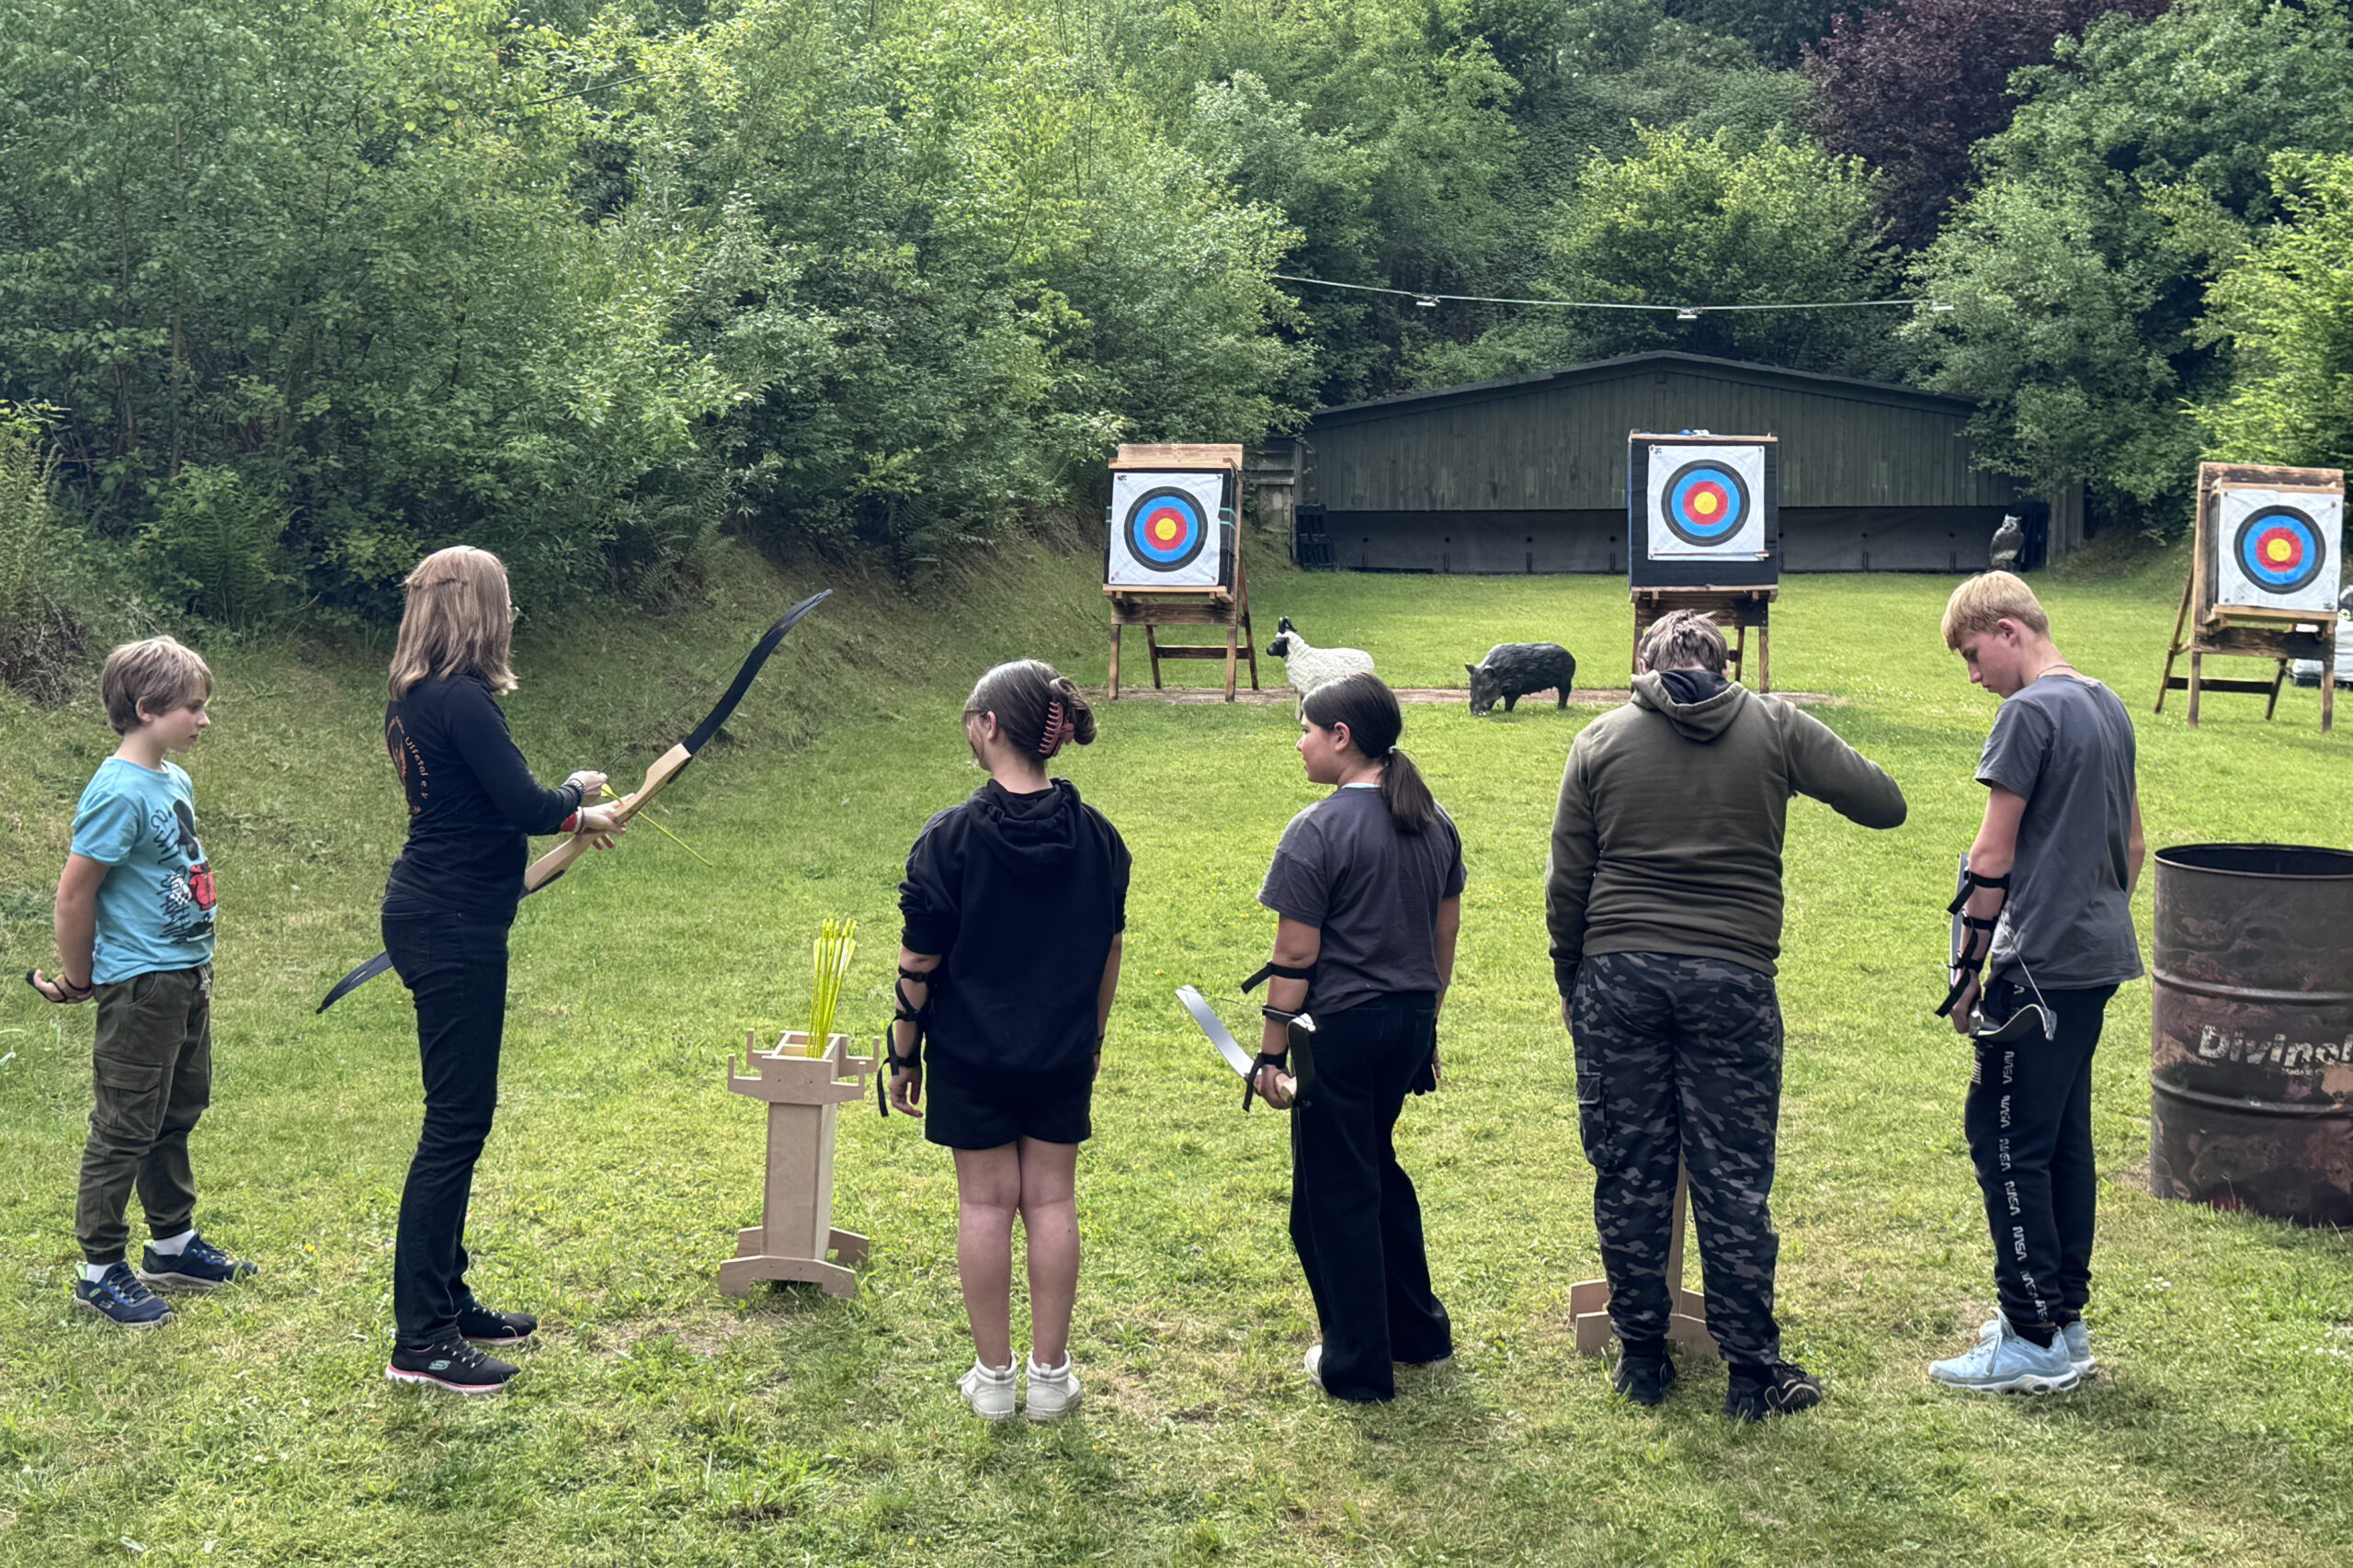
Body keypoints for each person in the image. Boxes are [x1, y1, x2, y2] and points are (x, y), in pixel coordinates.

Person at [1546, 609, 1904, 1420]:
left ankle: (1642, 1358)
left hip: (1619, 976)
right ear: (1726, 661)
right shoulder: (1775, 727)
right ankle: (1750, 1371)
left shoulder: (1600, 739)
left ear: (1643, 662)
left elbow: (1569, 878)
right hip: (1734, 978)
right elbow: (1885, 803)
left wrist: (1574, 980)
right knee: (1734, 1178)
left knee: (1630, 1169)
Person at [375, 546, 624, 1393]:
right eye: (504, 603)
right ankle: (423, 1340)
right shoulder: (462, 699)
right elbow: (521, 808)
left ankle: (448, 1296)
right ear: (478, 611)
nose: (512, 618)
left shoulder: (417, 700)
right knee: (454, 1124)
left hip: (440, 912)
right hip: (449, 925)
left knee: (460, 1119)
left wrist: (569, 798)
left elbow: (487, 800)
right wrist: (579, 805)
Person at [888, 660, 1129, 1423]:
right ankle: (1051, 1379)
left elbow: (918, 964)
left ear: (989, 726)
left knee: (985, 1207)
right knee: (1054, 1198)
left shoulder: (948, 839)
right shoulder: (1101, 840)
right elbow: (1108, 952)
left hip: (968, 1055)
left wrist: (902, 1052)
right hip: (1063, 1050)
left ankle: (995, 1381)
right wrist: (1091, 1040)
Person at [1930, 571, 2143, 1395]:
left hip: (2042, 966)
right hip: (2094, 957)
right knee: (2060, 1140)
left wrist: (1967, 973)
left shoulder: (2028, 713)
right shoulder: (2107, 703)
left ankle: (2031, 1336)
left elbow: (1992, 854)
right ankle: (2062, 1319)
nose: (1975, 676)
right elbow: (2130, 843)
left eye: (1976, 656)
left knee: (2007, 1138)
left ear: (2011, 629)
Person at [29, 636, 256, 1325]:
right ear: (147, 708)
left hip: (186, 976)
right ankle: (100, 1269)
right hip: (140, 984)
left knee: (177, 1110)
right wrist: (79, 977)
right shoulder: (117, 791)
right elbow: (75, 894)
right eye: (194, 707)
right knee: (125, 1125)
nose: (204, 720)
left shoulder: (171, 779)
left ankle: (173, 1243)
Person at [1250, 672, 1461, 1403]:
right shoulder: (1435, 822)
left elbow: (1296, 956)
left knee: (1330, 1195)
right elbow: (1444, 940)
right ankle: (1419, 1333)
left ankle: (1357, 1366)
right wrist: (1427, 1026)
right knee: (1374, 1166)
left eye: (1306, 728)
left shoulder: (1316, 829)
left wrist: (1269, 1056)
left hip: (1338, 1032)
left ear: (1342, 738)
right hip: (1404, 1025)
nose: (1300, 742)